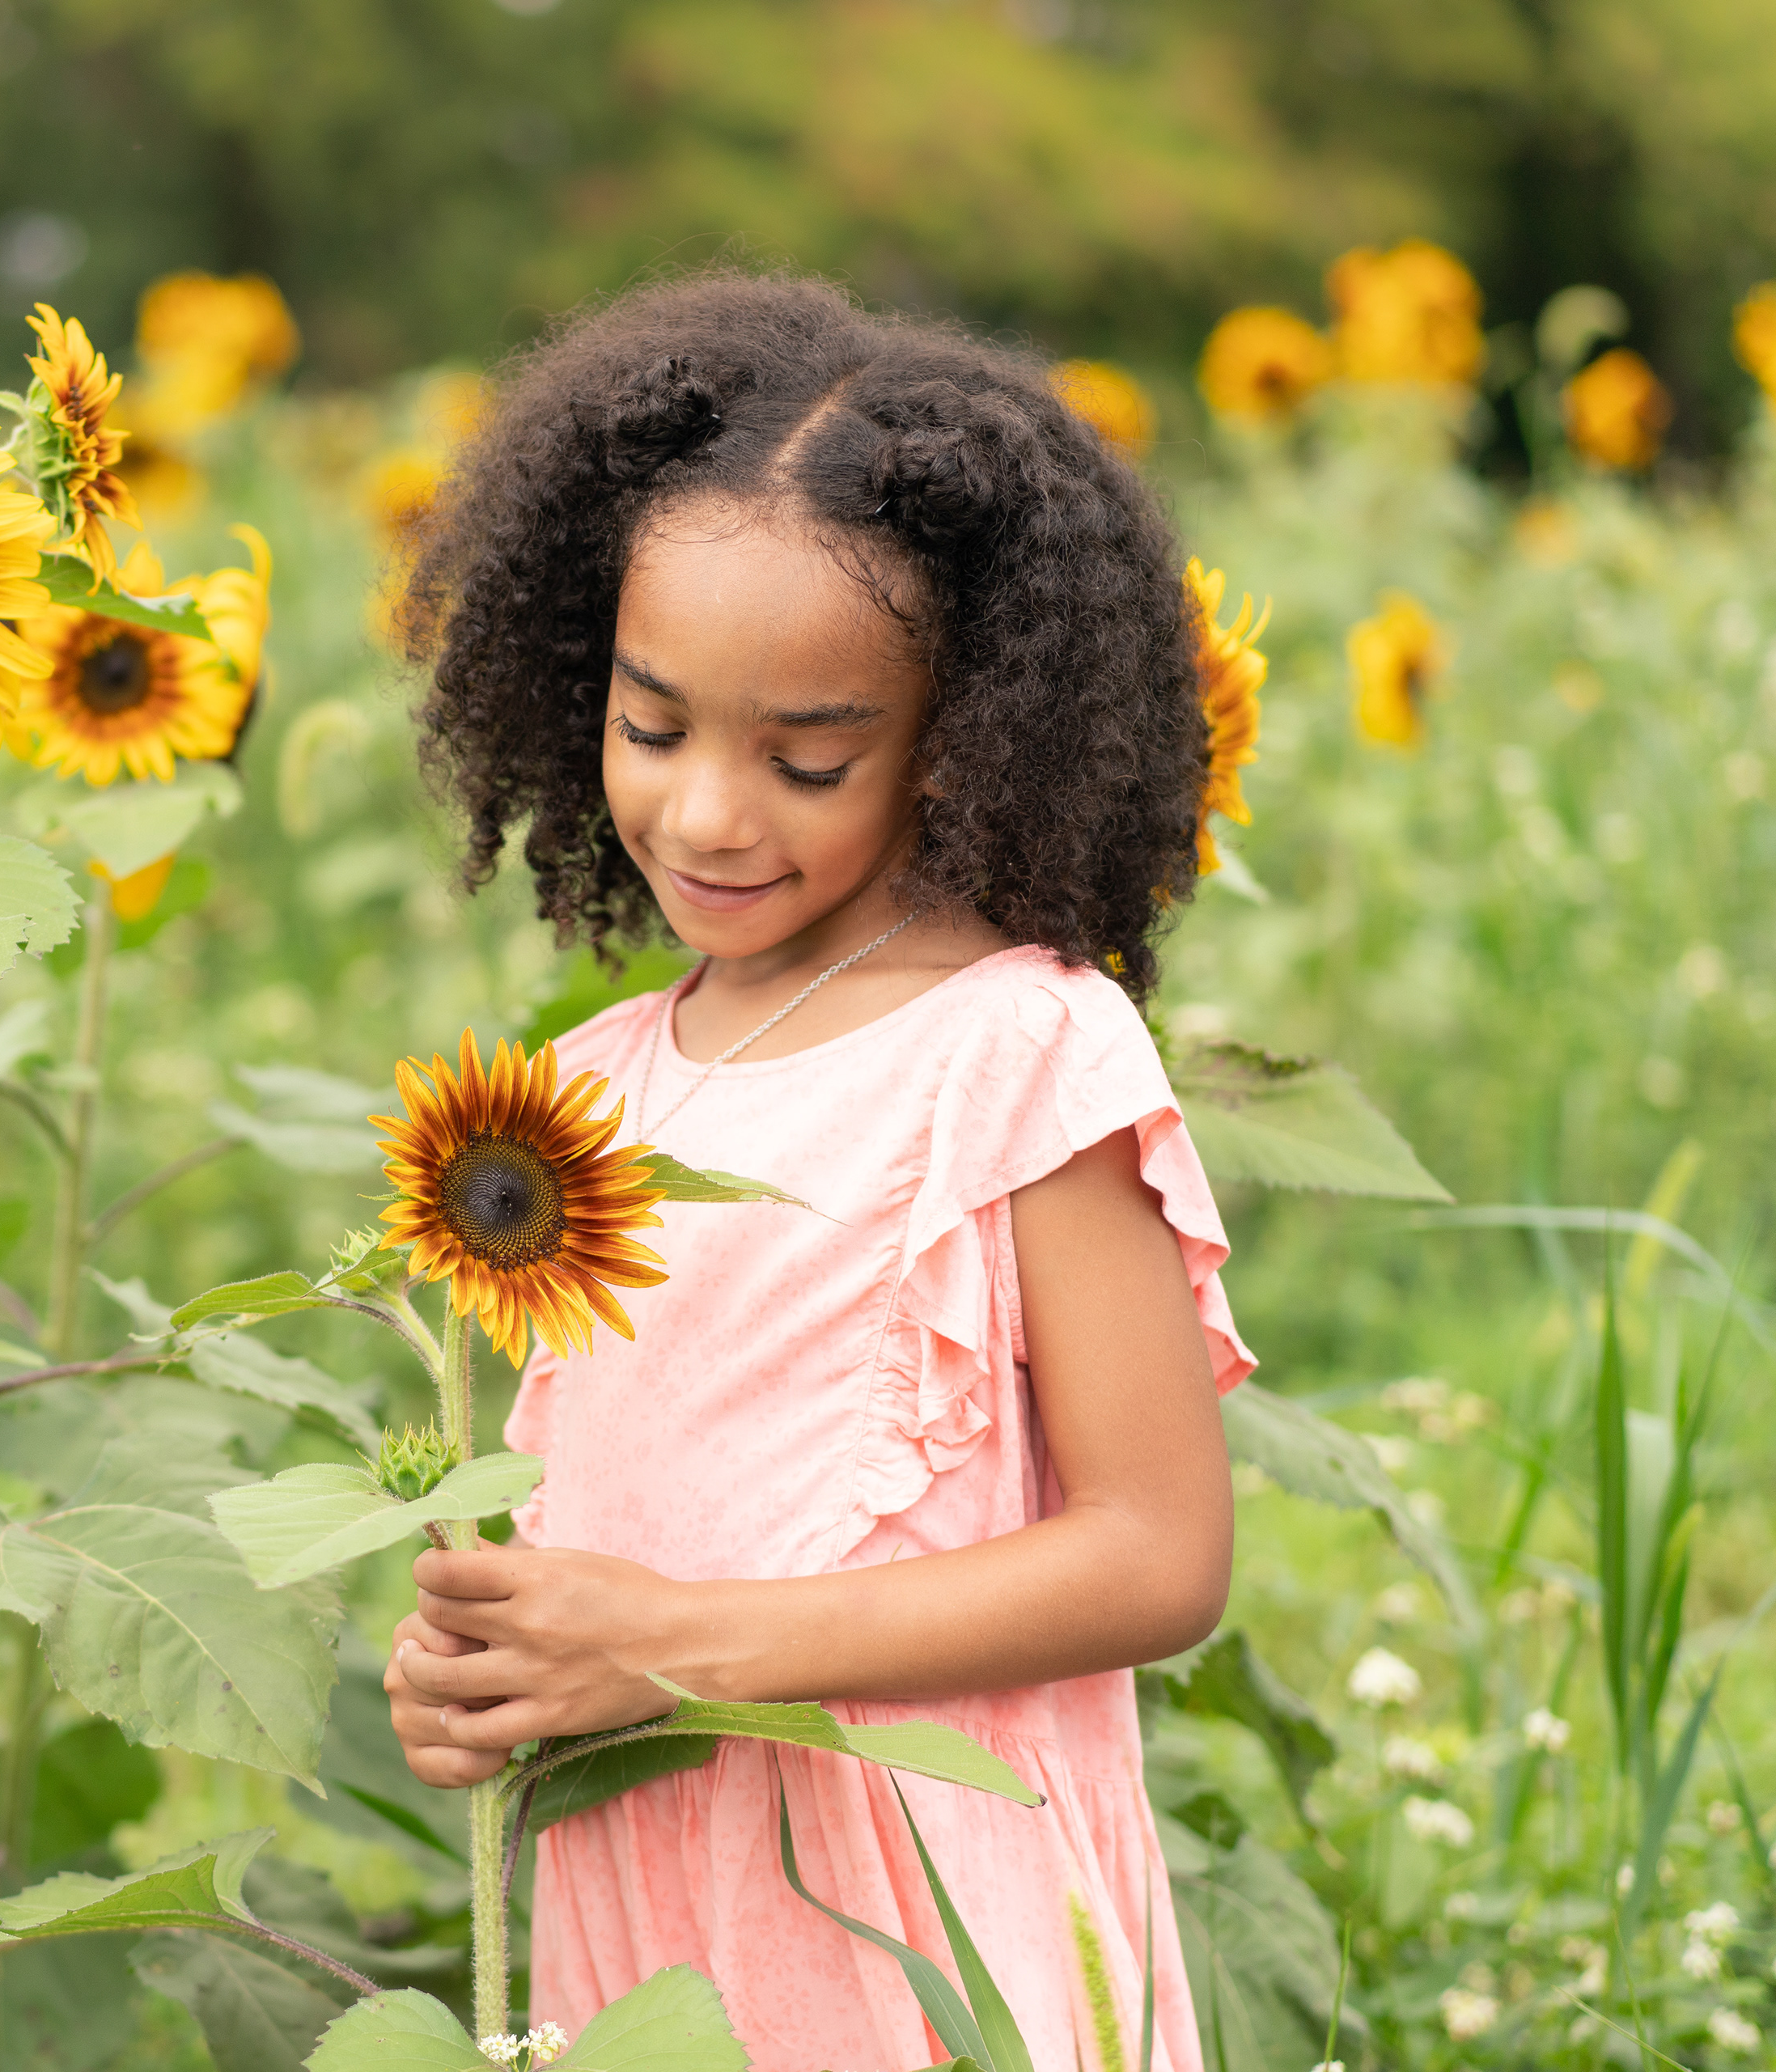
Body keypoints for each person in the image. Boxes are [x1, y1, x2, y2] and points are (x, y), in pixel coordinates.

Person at [381, 270, 1253, 2070]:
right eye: (652, 725)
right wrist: (489, 1668)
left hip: (918, 1918)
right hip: (641, 1912)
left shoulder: (1017, 1053)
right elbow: (572, 1535)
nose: (709, 811)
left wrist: (683, 1644)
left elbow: (1161, 1553)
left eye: (807, 757)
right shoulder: (572, 1105)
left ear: (962, 739)